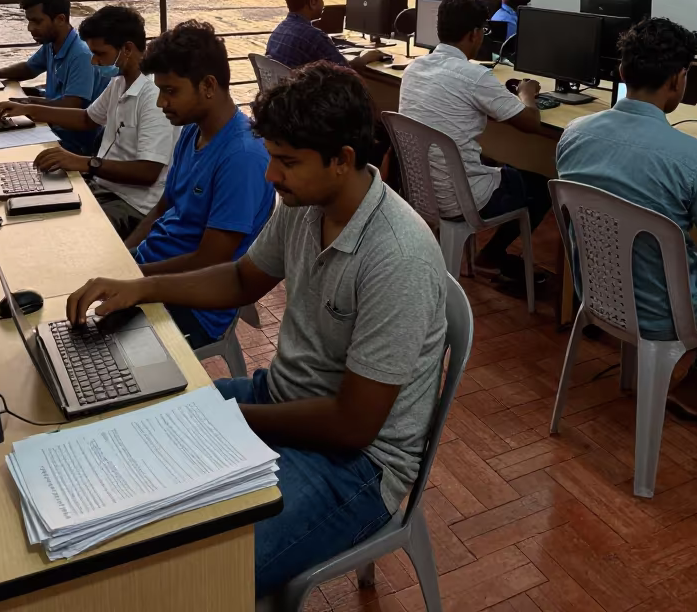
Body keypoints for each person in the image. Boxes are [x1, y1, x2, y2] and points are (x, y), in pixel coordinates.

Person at [67, 63, 447, 598]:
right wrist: (142, 287)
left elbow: (353, 425)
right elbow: (244, 278)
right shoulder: (306, 203)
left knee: (198, 577)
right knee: (131, 429)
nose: (271, 176)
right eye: (271, 156)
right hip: (282, 399)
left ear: (341, 161)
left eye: (286, 162)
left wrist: (224, 422)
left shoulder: (396, 257)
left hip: (358, 466)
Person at [557, 17, 697, 432]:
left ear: (621, 73)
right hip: (664, 314)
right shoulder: (692, 157)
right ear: (680, 80)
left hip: (599, 295)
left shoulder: (573, 134)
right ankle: (696, 386)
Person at [122, 19, 275, 347]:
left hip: (195, 305)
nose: (161, 103)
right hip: (154, 272)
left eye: (170, 91)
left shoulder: (243, 157)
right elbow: (164, 206)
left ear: (208, 86)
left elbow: (210, 260)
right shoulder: (193, 129)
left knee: (94, 344)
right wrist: (124, 257)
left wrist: (134, 280)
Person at [399, 0, 551, 283]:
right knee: (540, 186)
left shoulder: (414, 69)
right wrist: (526, 93)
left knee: (495, 162)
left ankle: (489, 257)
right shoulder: (474, 76)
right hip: (460, 200)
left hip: (422, 191)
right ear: (474, 34)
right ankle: (491, 258)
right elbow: (530, 123)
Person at [0, 6, 177, 238]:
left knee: (65, 233)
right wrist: (29, 110)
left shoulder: (152, 95)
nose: (95, 62)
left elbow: (148, 172)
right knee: (29, 208)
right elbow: (88, 118)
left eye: (100, 54)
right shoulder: (120, 81)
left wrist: (83, 162)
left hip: (132, 205)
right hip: (105, 186)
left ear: (127, 49)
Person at [0, 0, 102, 154]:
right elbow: (29, 68)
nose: (30, 28)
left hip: (72, 142)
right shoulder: (52, 43)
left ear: (60, 19)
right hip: (52, 127)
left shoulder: (81, 55)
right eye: (29, 21)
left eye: (37, 21)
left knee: (1, 149)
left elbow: (71, 106)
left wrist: (27, 104)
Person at [266, 0, 386, 70]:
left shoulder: (278, 31)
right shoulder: (314, 36)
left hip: (282, 96)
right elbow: (344, 70)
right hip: (303, 98)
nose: (323, 3)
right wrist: (364, 58)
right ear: (312, 2)